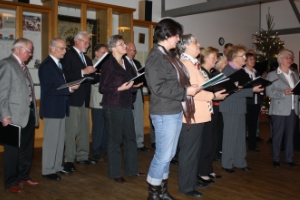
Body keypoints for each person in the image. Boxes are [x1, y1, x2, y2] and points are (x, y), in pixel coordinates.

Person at [145, 19, 200, 200]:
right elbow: (157, 87)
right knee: (163, 154)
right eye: (177, 35)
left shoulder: (168, 55)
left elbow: (171, 82)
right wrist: (185, 91)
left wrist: (186, 86)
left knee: (168, 154)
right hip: (164, 111)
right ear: (168, 35)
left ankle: (162, 191)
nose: (178, 39)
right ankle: (153, 193)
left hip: (173, 109)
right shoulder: (156, 57)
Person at [177, 35, 227, 198]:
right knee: (188, 153)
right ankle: (185, 186)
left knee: (194, 152)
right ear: (185, 46)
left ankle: (191, 180)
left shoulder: (192, 64)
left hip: (199, 114)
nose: (199, 44)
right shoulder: (185, 64)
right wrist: (213, 96)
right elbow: (193, 91)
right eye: (195, 42)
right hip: (192, 115)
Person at [100, 35, 145, 183]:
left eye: (124, 44)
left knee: (131, 138)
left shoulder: (126, 62)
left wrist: (136, 84)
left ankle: (132, 170)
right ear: (113, 48)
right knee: (115, 140)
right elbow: (103, 87)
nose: (124, 46)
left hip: (126, 104)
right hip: (112, 105)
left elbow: (130, 82)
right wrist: (119, 88)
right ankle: (115, 173)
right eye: (121, 44)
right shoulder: (108, 64)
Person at [0, 38, 39, 193]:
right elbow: (2, 93)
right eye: (29, 50)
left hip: (28, 113)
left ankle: (23, 175)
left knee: (26, 148)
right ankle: (10, 182)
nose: (30, 54)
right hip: (13, 116)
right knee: (12, 151)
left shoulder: (23, 66)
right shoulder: (7, 64)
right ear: (19, 49)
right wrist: (4, 115)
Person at [39, 38, 80, 181]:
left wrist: (69, 87)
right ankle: (47, 169)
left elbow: (58, 86)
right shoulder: (46, 65)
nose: (65, 51)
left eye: (65, 48)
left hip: (60, 107)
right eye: (62, 48)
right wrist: (69, 89)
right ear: (53, 48)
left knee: (59, 139)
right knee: (51, 140)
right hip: (52, 108)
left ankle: (56, 166)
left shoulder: (58, 64)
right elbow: (49, 90)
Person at [220, 44, 264, 174]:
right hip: (230, 107)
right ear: (234, 57)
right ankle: (226, 163)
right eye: (242, 55)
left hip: (239, 106)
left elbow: (241, 88)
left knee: (240, 137)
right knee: (230, 136)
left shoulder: (240, 71)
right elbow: (230, 91)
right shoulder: (228, 71)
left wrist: (252, 87)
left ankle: (240, 162)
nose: (245, 58)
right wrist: (252, 90)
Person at [61, 31, 99, 172]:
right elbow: (65, 75)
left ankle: (82, 156)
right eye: (85, 42)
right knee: (71, 131)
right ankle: (69, 160)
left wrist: (98, 74)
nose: (87, 45)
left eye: (88, 43)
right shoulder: (68, 56)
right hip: (72, 98)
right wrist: (83, 72)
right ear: (77, 41)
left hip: (84, 98)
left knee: (84, 129)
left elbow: (92, 77)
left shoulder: (87, 58)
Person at [198, 46, 227, 185]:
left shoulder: (213, 72)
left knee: (213, 140)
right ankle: (202, 171)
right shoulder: (200, 72)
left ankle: (208, 168)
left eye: (216, 57)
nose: (216, 60)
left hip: (214, 109)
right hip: (204, 109)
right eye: (213, 57)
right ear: (204, 58)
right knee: (206, 142)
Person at [266, 49, 299, 168]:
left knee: (290, 135)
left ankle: (288, 158)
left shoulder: (295, 74)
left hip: (293, 109)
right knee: (278, 135)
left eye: (291, 57)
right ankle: (276, 158)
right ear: (280, 60)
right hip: (279, 109)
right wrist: (283, 93)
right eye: (287, 57)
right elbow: (268, 92)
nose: (290, 59)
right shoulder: (272, 75)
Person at [125, 41, 151, 152]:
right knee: (129, 121)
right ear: (125, 50)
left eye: (135, 51)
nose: (133, 53)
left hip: (138, 93)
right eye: (131, 50)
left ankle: (139, 143)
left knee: (139, 119)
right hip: (128, 94)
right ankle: (130, 144)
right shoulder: (122, 63)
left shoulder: (136, 63)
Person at [90, 44, 109, 162]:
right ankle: (96, 150)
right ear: (96, 53)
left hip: (107, 99)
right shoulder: (92, 65)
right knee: (98, 127)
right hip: (97, 100)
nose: (105, 55)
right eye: (102, 52)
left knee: (107, 126)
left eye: (106, 52)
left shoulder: (106, 64)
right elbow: (93, 81)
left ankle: (105, 148)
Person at [244, 53, 263, 152]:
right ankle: (242, 146)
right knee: (244, 125)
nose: (253, 60)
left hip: (256, 102)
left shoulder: (257, 73)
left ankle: (252, 145)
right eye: (250, 59)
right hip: (246, 102)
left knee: (253, 125)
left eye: (254, 59)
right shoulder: (242, 73)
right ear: (245, 61)